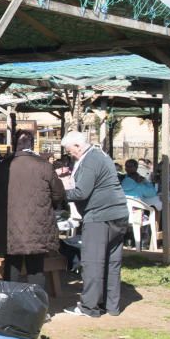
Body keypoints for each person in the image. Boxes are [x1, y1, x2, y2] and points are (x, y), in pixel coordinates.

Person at [59, 132, 129, 318]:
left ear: (78, 146)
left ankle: (90, 307)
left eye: (70, 151)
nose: (70, 155)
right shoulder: (100, 155)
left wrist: (58, 192)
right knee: (112, 262)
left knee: (92, 262)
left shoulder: (90, 160)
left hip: (100, 216)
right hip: (118, 214)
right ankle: (111, 306)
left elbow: (81, 192)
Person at [0, 131, 65, 289]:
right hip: (38, 224)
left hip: (9, 223)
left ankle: (10, 302)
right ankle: (36, 307)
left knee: (12, 263)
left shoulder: (2, 166)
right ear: (32, 144)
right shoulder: (44, 165)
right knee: (35, 266)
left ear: (15, 144)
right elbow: (58, 194)